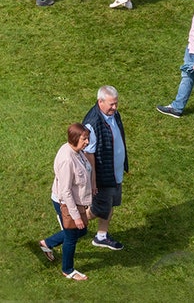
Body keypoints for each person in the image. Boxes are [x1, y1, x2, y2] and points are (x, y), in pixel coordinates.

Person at [36, 124, 94, 281]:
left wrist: (92, 186)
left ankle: (47, 243)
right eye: (84, 139)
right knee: (71, 237)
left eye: (87, 138)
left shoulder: (76, 151)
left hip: (75, 202)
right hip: (66, 203)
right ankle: (68, 270)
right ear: (74, 139)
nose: (87, 142)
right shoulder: (67, 160)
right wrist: (75, 216)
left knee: (82, 231)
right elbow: (66, 192)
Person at [82, 88, 127, 251]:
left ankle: (101, 236)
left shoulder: (113, 114)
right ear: (100, 102)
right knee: (99, 208)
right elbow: (88, 153)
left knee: (110, 204)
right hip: (103, 175)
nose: (115, 107)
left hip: (115, 172)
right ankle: (70, 225)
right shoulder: (93, 123)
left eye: (116, 103)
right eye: (111, 104)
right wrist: (93, 179)